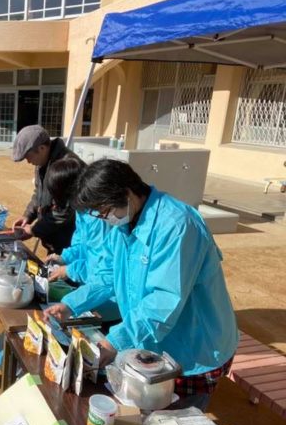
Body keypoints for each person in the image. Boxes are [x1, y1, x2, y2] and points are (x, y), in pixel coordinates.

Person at [44, 159, 239, 410]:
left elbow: (162, 301)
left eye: (104, 211)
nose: (104, 219)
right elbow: (108, 276)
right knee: (147, 411)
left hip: (193, 344)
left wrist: (114, 342)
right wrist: (71, 305)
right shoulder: (124, 224)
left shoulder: (177, 226)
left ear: (126, 193)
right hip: (155, 339)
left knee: (175, 423)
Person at [43, 156, 121, 324]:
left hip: (107, 299)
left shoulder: (100, 218)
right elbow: (81, 245)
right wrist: (64, 258)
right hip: (91, 289)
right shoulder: (82, 210)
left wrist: (69, 270)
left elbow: (104, 271)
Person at [11, 125, 76, 255]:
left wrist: (34, 230)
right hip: (53, 238)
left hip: (70, 245)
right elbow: (38, 194)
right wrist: (28, 215)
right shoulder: (43, 162)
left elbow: (64, 212)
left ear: (41, 148)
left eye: (28, 156)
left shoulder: (67, 167)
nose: (28, 162)